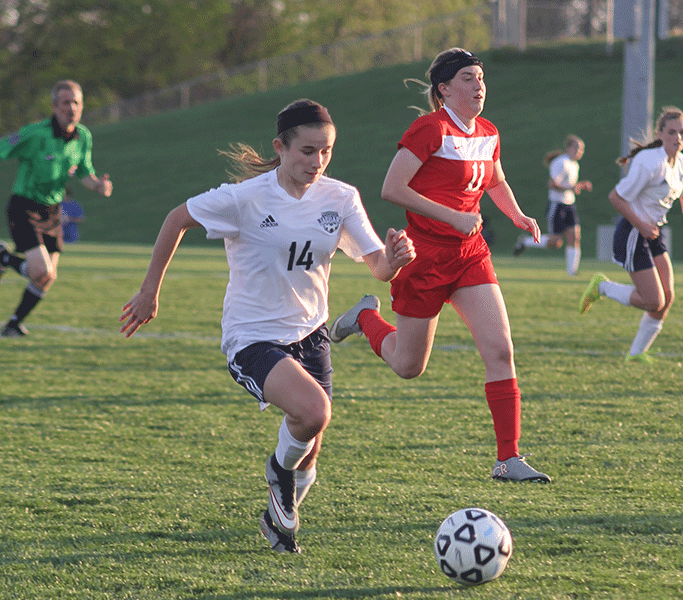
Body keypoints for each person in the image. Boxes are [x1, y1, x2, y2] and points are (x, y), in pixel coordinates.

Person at [119, 99, 415, 552]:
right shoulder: (245, 198)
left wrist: (393, 261)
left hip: (312, 334)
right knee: (313, 413)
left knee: (310, 446)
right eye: (307, 151)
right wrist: (148, 291)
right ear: (281, 147)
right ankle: (278, 476)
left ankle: (277, 521)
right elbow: (177, 218)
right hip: (252, 337)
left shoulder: (341, 198)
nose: (317, 162)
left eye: (326, 151)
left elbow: (376, 265)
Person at [328, 48, 551, 483]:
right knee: (409, 366)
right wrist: (451, 216)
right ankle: (365, 317)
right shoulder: (429, 129)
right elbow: (392, 188)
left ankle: (508, 459)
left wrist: (517, 215)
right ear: (445, 89)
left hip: (470, 256)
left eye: (481, 77)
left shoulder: (488, 131)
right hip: (424, 258)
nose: (479, 85)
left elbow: (496, 180)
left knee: (501, 350)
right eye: (468, 78)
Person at [579, 106, 683, 361]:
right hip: (632, 232)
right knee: (654, 301)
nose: (677, 137)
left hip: (653, 233)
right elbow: (616, 198)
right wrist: (641, 225)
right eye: (671, 132)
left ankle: (636, 354)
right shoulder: (650, 161)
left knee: (668, 297)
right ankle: (602, 287)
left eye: (682, 132)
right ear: (660, 133)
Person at [0, 80, 112, 337]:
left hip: (52, 211)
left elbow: (85, 171)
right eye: (65, 103)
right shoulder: (36, 134)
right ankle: (3, 257)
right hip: (24, 207)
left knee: (47, 278)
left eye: (76, 103)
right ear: (54, 106)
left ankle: (13, 324)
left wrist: (98, 186)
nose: (71, 108)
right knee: (41, 270)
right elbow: (4, 147)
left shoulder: (83, 136)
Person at [513, 135, 592, 276]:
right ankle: (525, 241)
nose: (580, 151)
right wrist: (572, 187)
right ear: (569, 148)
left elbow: (570, 186)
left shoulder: (575, 164)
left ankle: (572, 273)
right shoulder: (561, 162)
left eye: (582, 149)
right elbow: (552, 184)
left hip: (570, 205)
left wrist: (578, 186)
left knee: (575, 238)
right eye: (577, 148)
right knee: (555, 242)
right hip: (557, 205)